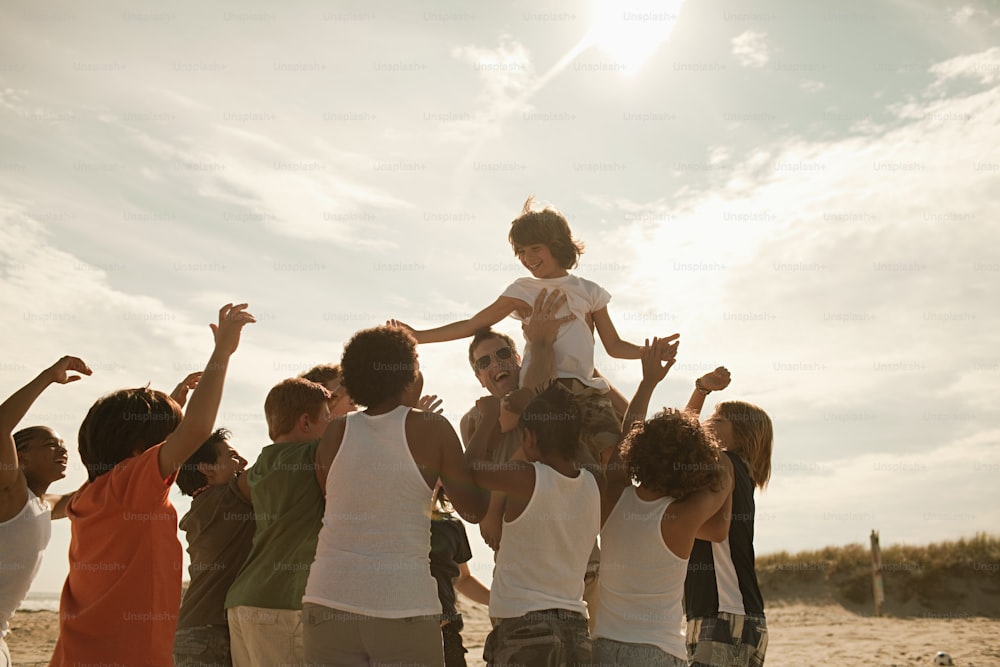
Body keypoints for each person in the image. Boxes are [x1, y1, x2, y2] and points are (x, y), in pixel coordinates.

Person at [49, 303, 255, 667]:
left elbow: (149, 442)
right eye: (167, 438)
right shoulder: (132, 486)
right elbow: (197, 429)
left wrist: (173, 402)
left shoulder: (91, 495)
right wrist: (222, 353)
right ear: (140, 451)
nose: (177, 448)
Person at [395, 197, 675, 465]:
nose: (528, 258)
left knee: (613, 455)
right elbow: (472, 325)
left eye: (534, 248)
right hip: (545, 388)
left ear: (557, 244)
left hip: (588, 390)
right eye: (521, 252)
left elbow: (613, 346)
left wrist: (647, 353)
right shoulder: (522, 290)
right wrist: (419, 336)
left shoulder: (590, 292)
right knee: (551, 454)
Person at [302, 326, 489, 666]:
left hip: (327, 597)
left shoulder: (335, 432)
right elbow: (474, 510)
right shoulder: (432, 427)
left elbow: (335, 495)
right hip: (401, 603)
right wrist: (486, 428)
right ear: (409, 376)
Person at [593, 340, 734, 667]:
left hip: (603, 649)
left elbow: (629, 431)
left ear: (638, 449)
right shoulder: (682, 516)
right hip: (657, 653)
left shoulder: (615, 497)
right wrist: (719, 455)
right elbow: (721, 505)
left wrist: (648, 382)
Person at [465, 384, 601, 666]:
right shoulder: (596, 482)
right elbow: (583, 455)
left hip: (524, 628)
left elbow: (467, 471)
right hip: (576, 631)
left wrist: (490, 417)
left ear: (528, 437)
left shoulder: (525, 477)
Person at [224, 377, 335, 667]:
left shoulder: (261, 464)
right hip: (279, 602)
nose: (333, 424)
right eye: (328, 417)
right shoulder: (312, 455)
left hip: (242, 599)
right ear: (306, 423)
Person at [0, 356, 90, 666]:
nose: (63, 450)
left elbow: (103, 484)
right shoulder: (10, 492)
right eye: (50, 444)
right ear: (20, 456)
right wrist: (48, 377)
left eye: (63, 444)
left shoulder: (44, 504)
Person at [683, 371, 773, 667]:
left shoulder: (723, 462)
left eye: (718, 420)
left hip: (724, 617)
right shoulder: (736, 469)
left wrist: (666, 524)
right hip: (732, 616)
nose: (708, 423)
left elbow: (682, 437)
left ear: (742, 436)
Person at [173, 428, 253, 667]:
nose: (243, 462)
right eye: (232, 456)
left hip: (197, 628)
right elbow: (270, 468)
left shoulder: (203, 506)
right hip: (208, 632)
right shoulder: (224, 499)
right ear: (207, 468)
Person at [430, 486, 490, 667]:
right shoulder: (394, 523)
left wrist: (499, 599)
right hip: (404, 630)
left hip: (447, 632)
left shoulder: (451, 526)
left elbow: (463, 579)